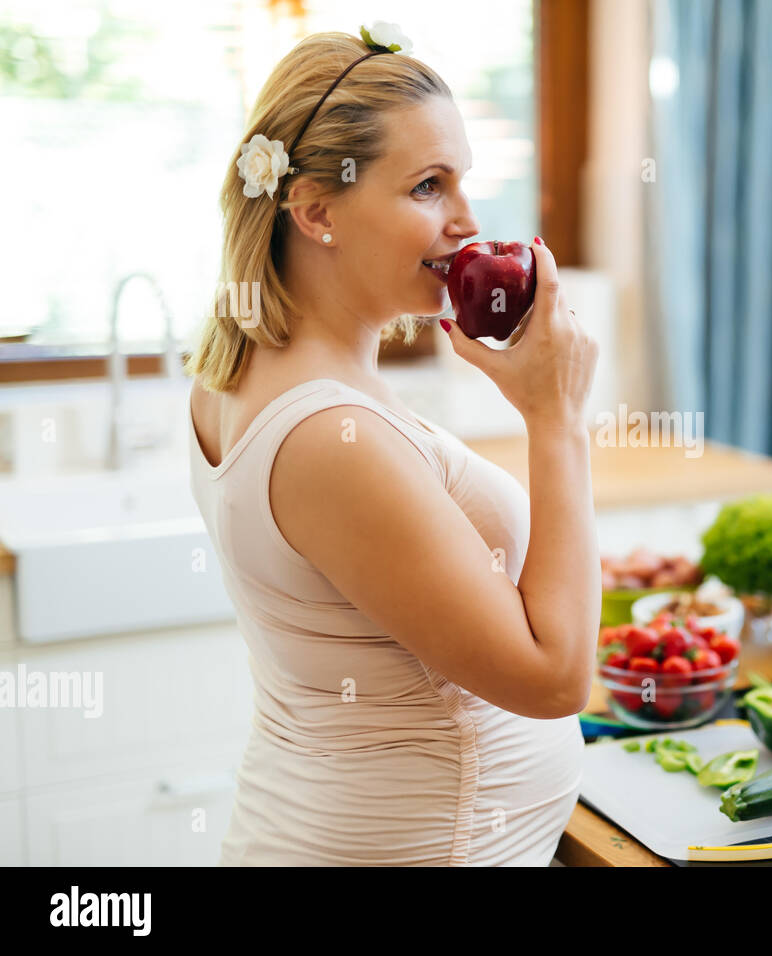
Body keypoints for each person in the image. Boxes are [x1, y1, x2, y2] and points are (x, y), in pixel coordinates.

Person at [184, 27, 600, 865]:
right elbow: (555, 681)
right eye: (426, 187)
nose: (466, 222)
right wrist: (557, 419)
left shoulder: (233, 374)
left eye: (461, 182)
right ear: (315, 211)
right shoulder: (329, 440)